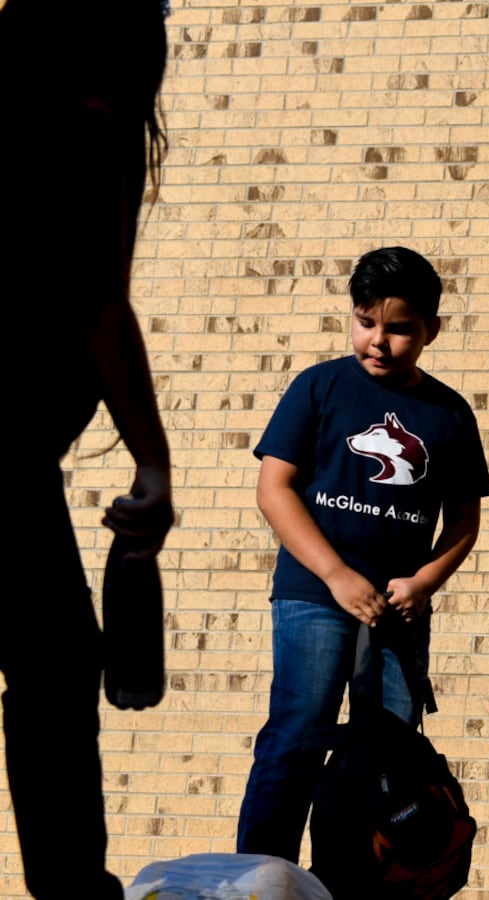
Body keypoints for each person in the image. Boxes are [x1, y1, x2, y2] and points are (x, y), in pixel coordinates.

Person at [236, 246, 489, 861]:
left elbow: (463, 519)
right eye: (365, 321)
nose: (378, 340)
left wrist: (425, 582)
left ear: (431, 328)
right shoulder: (319, 386)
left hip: (399, 614)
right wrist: (336, 575)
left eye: (399, 328)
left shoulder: (449, 413)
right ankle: (263, 877)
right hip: (314, 597)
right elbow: (274, 490)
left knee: (391, 755)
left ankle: (360, 879)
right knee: (298, 736)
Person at [2, 1, 175, 897]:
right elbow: (95, 299)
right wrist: (153, 462)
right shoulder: (84, 123)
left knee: (53, 657)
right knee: (57, 663)